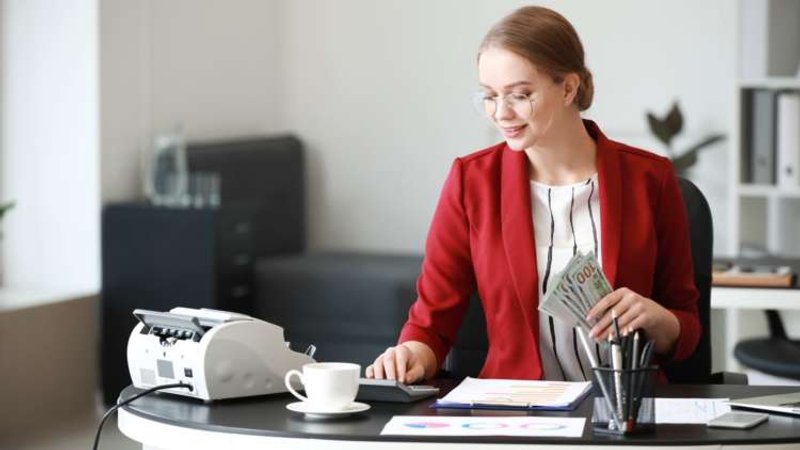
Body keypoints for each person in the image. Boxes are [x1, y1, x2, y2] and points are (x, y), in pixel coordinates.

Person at [365, 5, 700, 384]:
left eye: (520, 95)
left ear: (569, 88)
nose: (501, 113)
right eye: (489, 96)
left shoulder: (649, 177)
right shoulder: (471, 181)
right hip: (516, 411)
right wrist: (409, 353)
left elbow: (685, 327)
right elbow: (431, 325)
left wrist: (659, 320)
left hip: (623, 411)